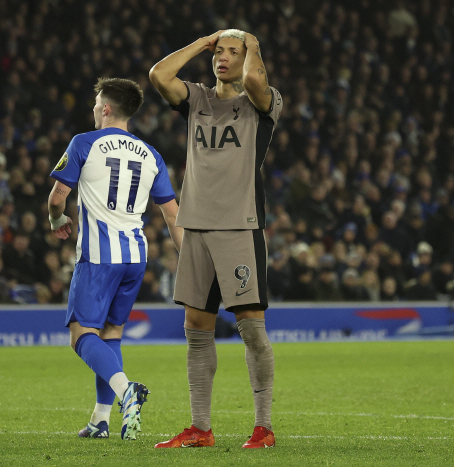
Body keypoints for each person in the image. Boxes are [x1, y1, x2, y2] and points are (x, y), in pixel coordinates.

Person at [149, 29, 283, 449]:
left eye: (232, 53)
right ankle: (200, 428)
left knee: (252, 330)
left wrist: (253, 45)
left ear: (249, 57)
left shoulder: (262, 103)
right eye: (219, 53)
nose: (222, 58)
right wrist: (203, 42)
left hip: (240, 226)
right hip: (196, 227)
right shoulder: (199, 99)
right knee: (196, 329)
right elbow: (158, 75)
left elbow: (257, 82)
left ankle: (263, 426)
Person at [47, 77, 183, 440]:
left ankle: (127, 392)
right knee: (111, 333)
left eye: (96, 104)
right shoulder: (151, 154)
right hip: (136, 257)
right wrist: (188, 258)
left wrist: (56, 219)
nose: (93, 109)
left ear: (106, 108)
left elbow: (58, 196)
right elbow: (172, 214)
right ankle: (100, 419)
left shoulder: (84, 143)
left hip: (99, 256)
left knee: (80, 335)